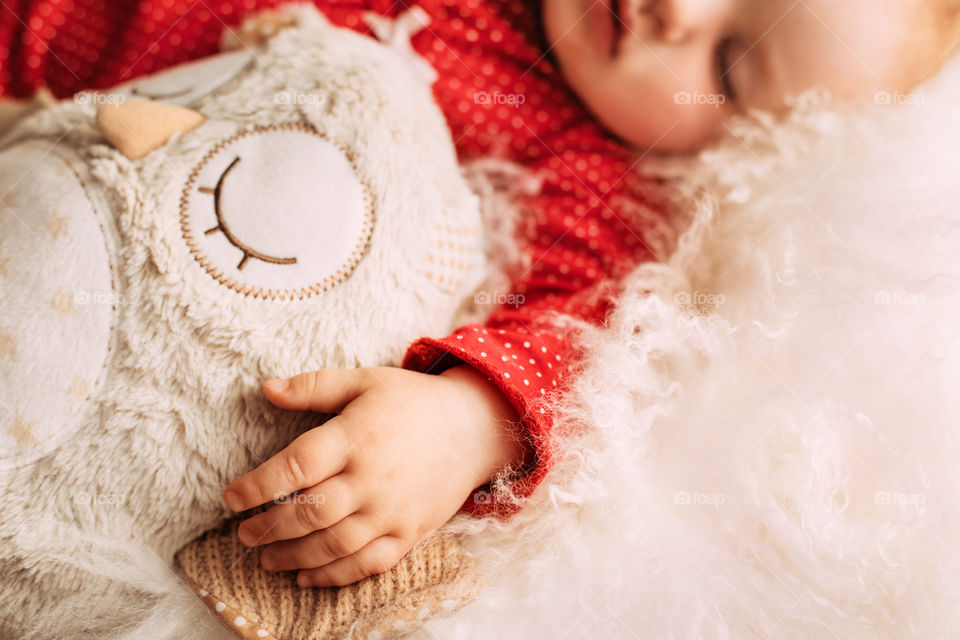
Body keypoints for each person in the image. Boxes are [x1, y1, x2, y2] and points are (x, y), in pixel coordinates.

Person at [0, 0, 954, 588]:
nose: (679, 9)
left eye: (730, 64)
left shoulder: (585, 177)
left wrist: (467, 420)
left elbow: (581, 336)